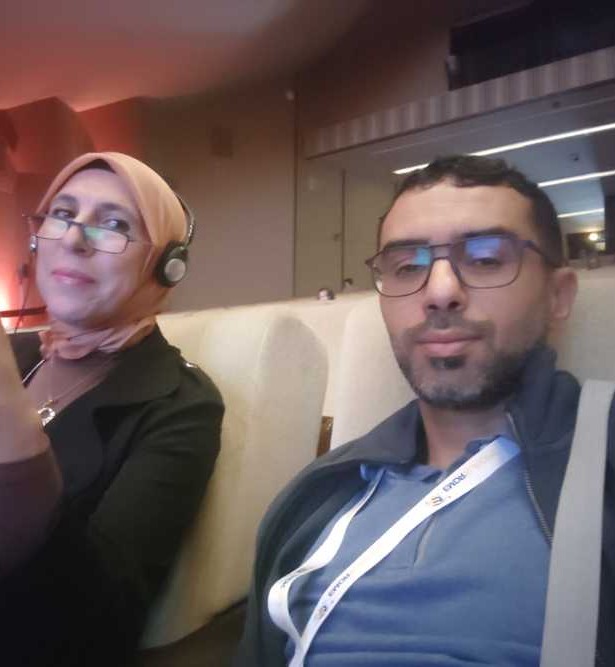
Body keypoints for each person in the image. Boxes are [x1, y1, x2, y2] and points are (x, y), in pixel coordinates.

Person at [235, 155, 614, 666]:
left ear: (558, 295)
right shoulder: (318, 495)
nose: (439, 292)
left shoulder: (602, 460)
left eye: (485, 259)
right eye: (408, 266)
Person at [0, 152, 224, 665]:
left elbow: (91, 621)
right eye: (62, 214)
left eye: (114, 225)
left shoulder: (180, 404)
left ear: (165, 265)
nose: (74, 239)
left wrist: (4, 412)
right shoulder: (10, 352)